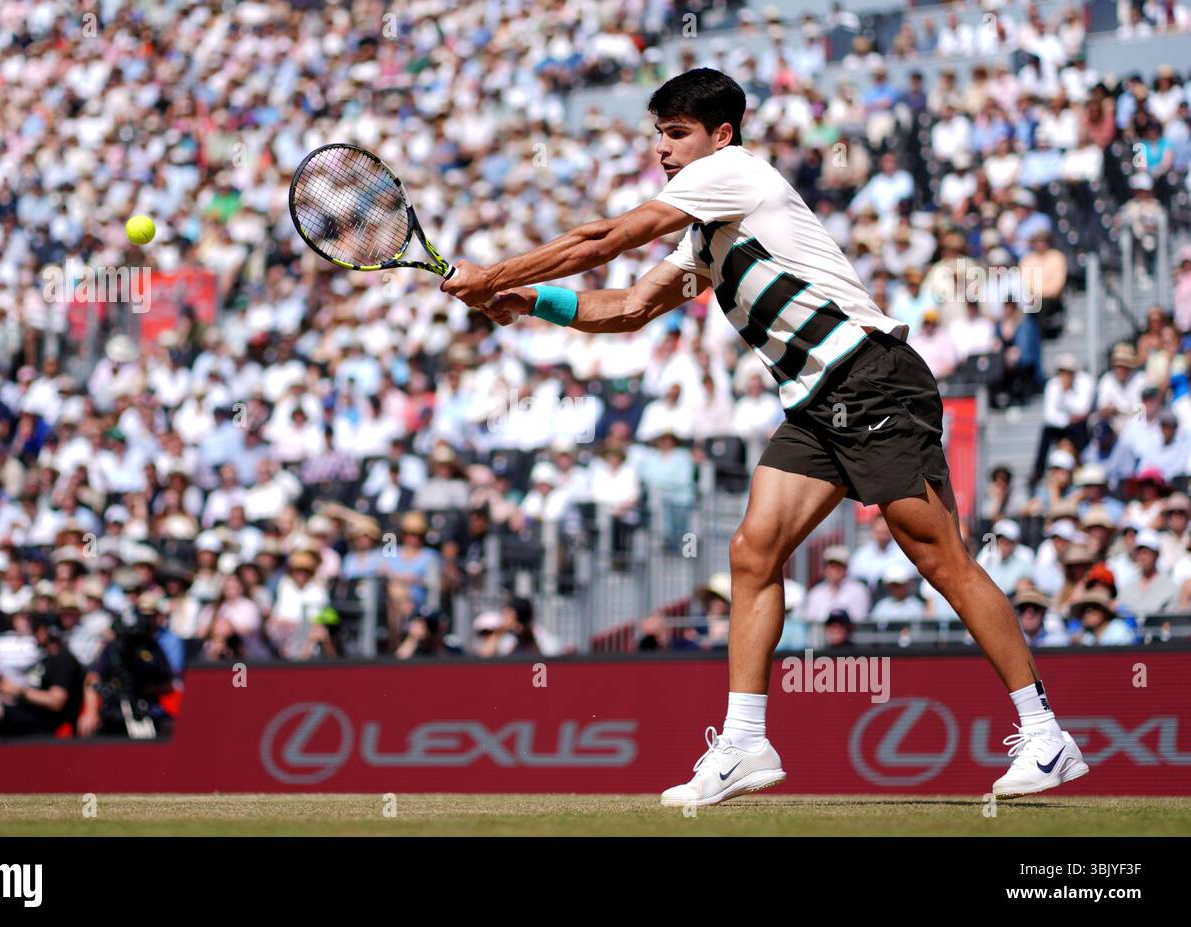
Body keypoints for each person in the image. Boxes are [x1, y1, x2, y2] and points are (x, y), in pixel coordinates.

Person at [440, 68, 1089, 805]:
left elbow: (606, 238)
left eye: (676, 133)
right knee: (753, 552)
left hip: (870, 377)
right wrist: (528, 299)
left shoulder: (734, 174)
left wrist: (493, 273)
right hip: (816, 403)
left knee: (939, 556)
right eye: (658, 135)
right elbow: (629, 307)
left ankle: (1046, 734)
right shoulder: (709, 234)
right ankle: (746, 743)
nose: (662, 149)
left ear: (721, 135)